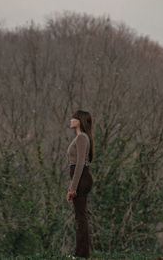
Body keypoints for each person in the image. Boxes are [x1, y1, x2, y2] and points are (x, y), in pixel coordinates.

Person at [66, 110, 94, 259]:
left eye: (74, 118)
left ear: (80, 121)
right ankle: (82, 253)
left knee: (80, 218)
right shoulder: (80, 138)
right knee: (80, 217)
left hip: (81, 178)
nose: (71, 120)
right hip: (80, 179)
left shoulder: (82, 138)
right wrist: (72, 186)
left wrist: (73, 188)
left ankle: (81, 254)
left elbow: (80, 164)